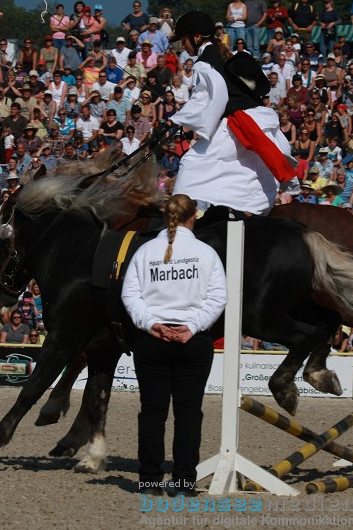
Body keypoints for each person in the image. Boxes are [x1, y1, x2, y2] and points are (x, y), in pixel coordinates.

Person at [121, 194, 227, 497]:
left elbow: (130, 295)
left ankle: (151, 480)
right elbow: (218, 297)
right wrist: (192, 326)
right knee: (189, 413)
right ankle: (182, 481)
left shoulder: (145, 251)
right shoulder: (205, 252)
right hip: (192, 341)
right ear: (193, 216)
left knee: (152, 412)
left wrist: (150, 324)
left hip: (152, 339)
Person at [169, 11, 297, 218]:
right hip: (251, 121)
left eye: (183, 40)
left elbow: (213, 97)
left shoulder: (204, 63)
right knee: (247, 169)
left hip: (234, 125)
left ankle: (177, 225)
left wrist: (176, 121)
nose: (182, 46)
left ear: (197, 37)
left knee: (189, 164)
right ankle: (246, 217)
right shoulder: (220, 54)